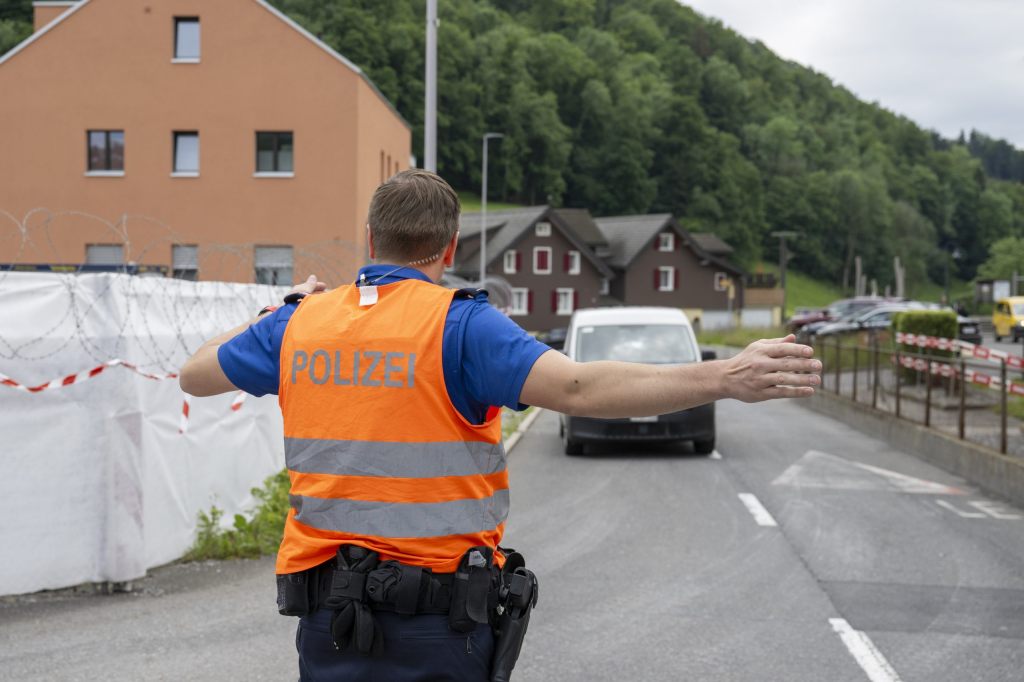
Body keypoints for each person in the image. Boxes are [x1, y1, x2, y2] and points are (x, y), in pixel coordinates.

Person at [179, 169, 821, 681]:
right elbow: (576, 387)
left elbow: (195, 373)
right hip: (436, 626)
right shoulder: (460, 325)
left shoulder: (300, 325)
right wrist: (724, 377)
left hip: (329, 622)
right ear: (450, 247)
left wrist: (281, 309)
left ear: (370, 241)